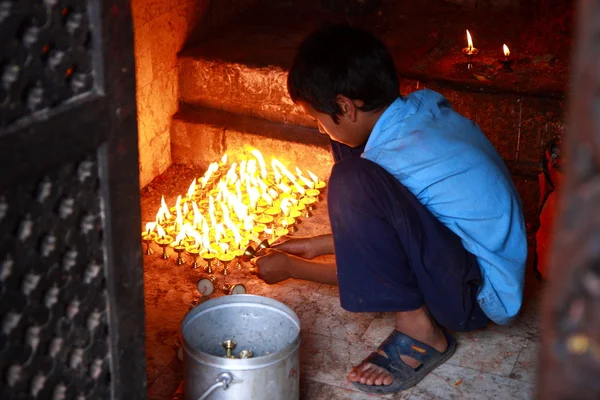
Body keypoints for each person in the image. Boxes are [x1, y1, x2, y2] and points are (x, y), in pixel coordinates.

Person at [252, 24, 527, 394]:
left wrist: (293, 269)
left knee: (352, 179)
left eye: (318, 118)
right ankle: (419, 321)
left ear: (346, 105)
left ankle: (421, 331)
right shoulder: (418, 110)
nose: (319, 129)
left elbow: (382, 261)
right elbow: (399, 227)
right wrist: (318, 245)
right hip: (477, 256)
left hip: (478, 297)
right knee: (350, 150)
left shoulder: (396, 157)